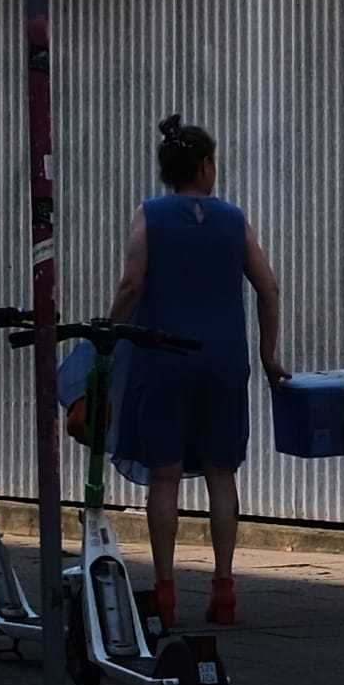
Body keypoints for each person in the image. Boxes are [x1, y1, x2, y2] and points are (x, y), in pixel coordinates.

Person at [106, 112, 284, 633]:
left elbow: (132, 284)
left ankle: (165, 592)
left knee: (164, 477)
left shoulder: (150, 215)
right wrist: (270, 355)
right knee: (220, 473)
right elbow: (267, 287)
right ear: (206, 165)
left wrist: (109, 335)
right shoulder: (233, 218)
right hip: (224, 359)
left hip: (163, 358)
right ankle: (224, 588)